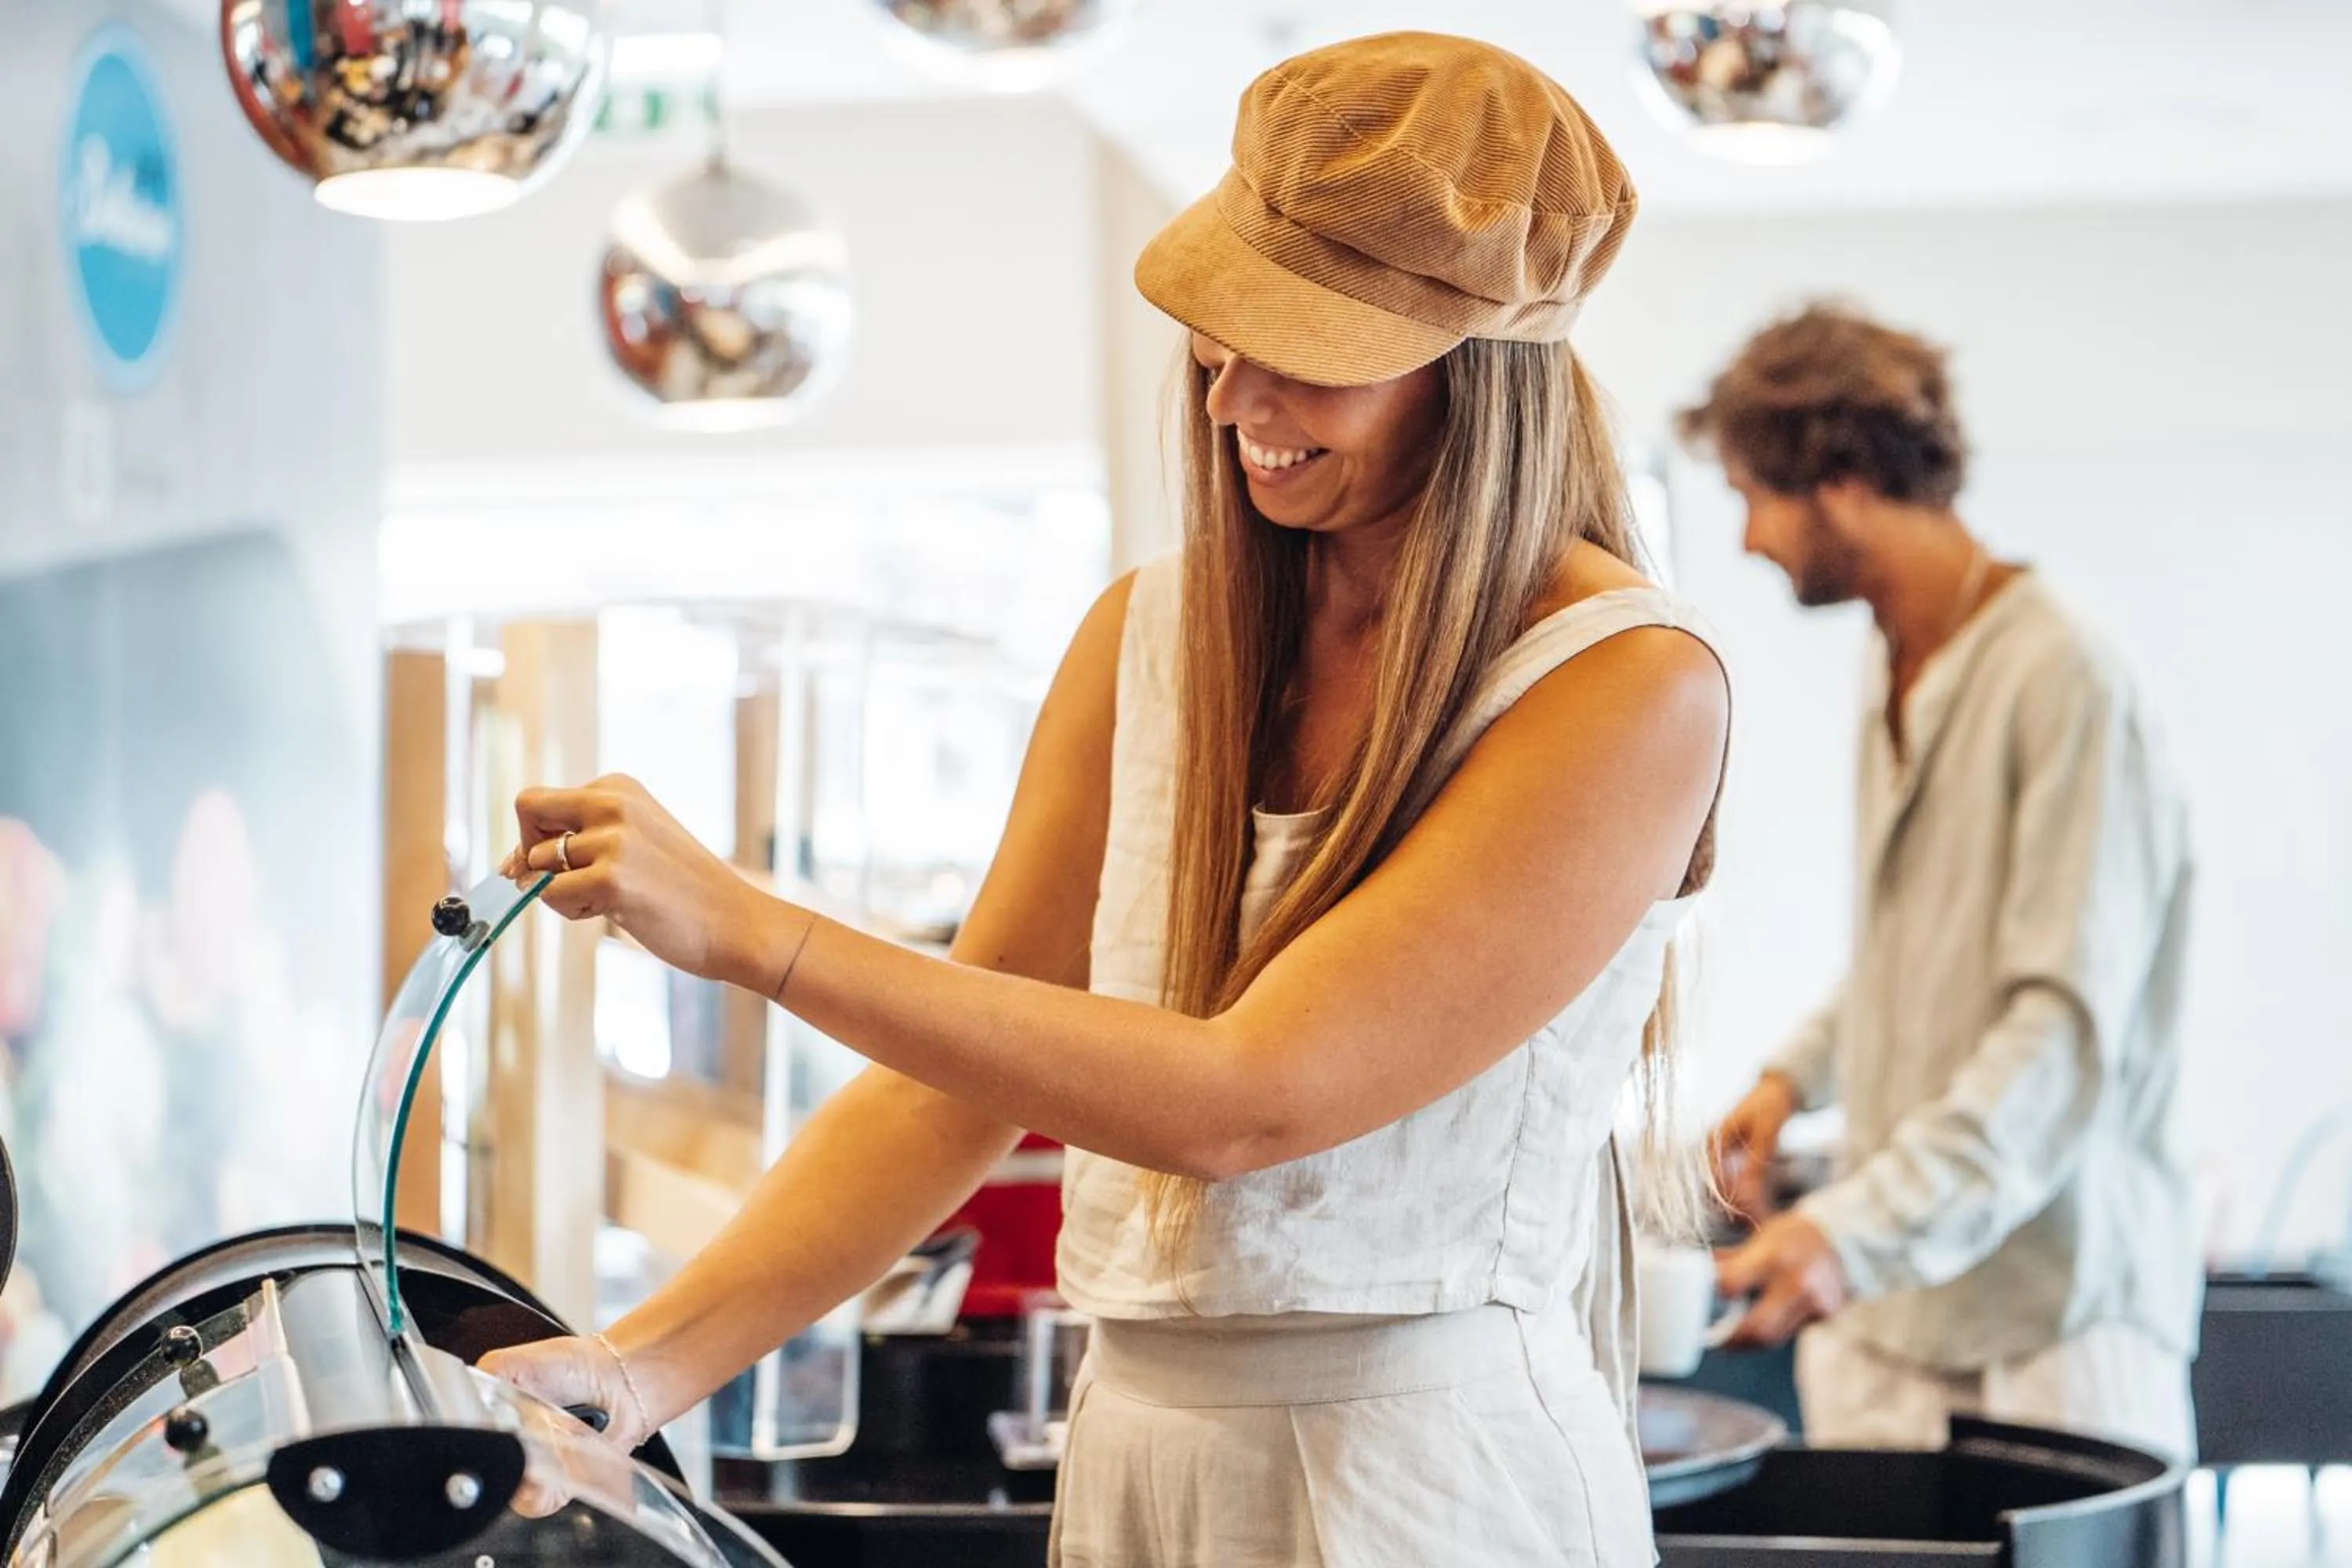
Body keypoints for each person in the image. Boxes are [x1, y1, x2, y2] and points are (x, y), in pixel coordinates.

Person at [482, 32, 1730, 1566]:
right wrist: (641, 1368)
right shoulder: (1147, 638)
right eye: (1226, 326)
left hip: (1430, 1481)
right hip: (1133, 1444)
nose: (1234, 393)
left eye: (1307, 346)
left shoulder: (1625, 687)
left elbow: (1247, 1100)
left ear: (1479, 366)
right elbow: (960, 1077)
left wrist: (757, 935)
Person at [1682, 305, 2200, 1461]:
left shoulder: (2066, 679)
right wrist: (1793, 1075)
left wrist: (1852, 1235)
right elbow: (1920, 952)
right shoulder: (1895, 657)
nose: (1751, 540)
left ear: (1847, 478)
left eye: (1754, 497)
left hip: (2051, 1332)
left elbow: (2058, 1035)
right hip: (1893, 1320)